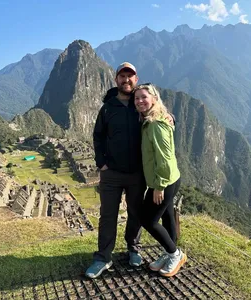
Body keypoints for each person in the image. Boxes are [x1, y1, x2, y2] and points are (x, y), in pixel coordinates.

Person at [85, 62, 146, 279]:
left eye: (130, 76)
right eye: (122, 76)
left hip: (137, 172)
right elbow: (98, 136)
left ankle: (133, 248)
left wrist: (171, 118)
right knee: (108, 215)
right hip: (111, 173)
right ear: (116, 80)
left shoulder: (142, 103)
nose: (126, 80)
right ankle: (103, 257)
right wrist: (101, 162)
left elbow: (162, 116)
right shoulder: (108, 107)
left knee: (135, 213)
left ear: (136, 79)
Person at [134, 83, 187, 277]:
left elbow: (164, 158)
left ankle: (175, 254)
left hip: (165, 181)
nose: (139, 101)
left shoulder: (156, 124)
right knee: (166, 216)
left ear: (154, 99)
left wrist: (159, 186)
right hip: (169, 179)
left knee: (148, 220)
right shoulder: (151, 120)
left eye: (144, 97)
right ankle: (169, 252)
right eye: (136, 98)